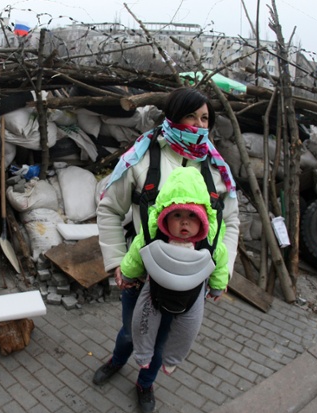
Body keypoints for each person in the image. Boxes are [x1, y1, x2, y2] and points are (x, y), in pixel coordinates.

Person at [94, 87, 240, 413]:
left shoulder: (216, 169)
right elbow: (108, 210)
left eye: (205, 118)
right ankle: (118, 360)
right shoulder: (142, 158)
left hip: (190, 283)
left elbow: (230, 224)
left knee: (161, 342)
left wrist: (222, 272)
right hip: (140, 277)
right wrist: (118, 260)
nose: (199, 124)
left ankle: (145, 384)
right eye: (191, 115)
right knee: (133, 333)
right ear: (173, 115)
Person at [121, 166, 228, 374]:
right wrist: (128, 273)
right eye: (177, 215)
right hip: (155, 287)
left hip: (194, 293)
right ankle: (142, 354)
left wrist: (217, 285)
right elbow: (136, 252)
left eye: (192, 215)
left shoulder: (211, 242)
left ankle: (172, 359)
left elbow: (221, 261)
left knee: (189, 328)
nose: (184, 221)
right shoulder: (153, 234)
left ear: (204, 218)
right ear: (165, 217)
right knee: (142, 319)